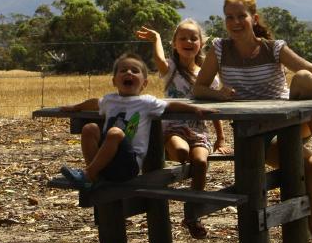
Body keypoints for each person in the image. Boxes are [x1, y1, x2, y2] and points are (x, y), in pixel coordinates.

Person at [193, 0, 312, 243]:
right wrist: (219, 94)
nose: (235, 22)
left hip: (289, 125)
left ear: (253, 18)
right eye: (229, 17)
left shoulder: (274, 48)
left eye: (241, 16)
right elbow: (199, 87)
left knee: (304, 79)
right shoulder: (219, 50)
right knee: (311, 166)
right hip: (255, 134)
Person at [58, 52, 216, 191]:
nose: (128, 73)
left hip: (129, 164)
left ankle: (88, 175)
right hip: (106, 161)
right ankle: (94, 176)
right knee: (89, 128)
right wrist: (75, 107)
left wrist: (195, 110)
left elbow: (170, 105)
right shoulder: (110, 100)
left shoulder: (146, 102)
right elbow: (94, 103)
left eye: (135, 71)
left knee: (115, 132)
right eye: (123, 70)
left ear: (144, 83)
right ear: (114, 81)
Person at [135, 20, 232, 239]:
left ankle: (193, 211)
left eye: (193, 38)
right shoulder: (170, 69)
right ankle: (161, 157)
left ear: (201, 43)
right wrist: (156, 38)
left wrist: (221, 138)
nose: (188, 42)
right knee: (181, 153)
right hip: (173, 128)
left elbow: (214, 108)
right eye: (183, 38)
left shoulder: (208, 76)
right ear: (175, 44)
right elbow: (159, 59)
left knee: (200, 161)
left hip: (198, 131)